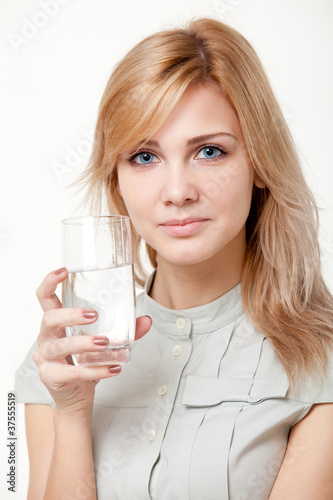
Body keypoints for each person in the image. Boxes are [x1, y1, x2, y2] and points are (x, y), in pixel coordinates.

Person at [15, 16, 333, 500]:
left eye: (209, 151)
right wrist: (73, 413)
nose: (178, 192)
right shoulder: (60, 363)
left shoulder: (319, 361)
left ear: (261, 163)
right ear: (116, 181)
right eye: (144, 156)